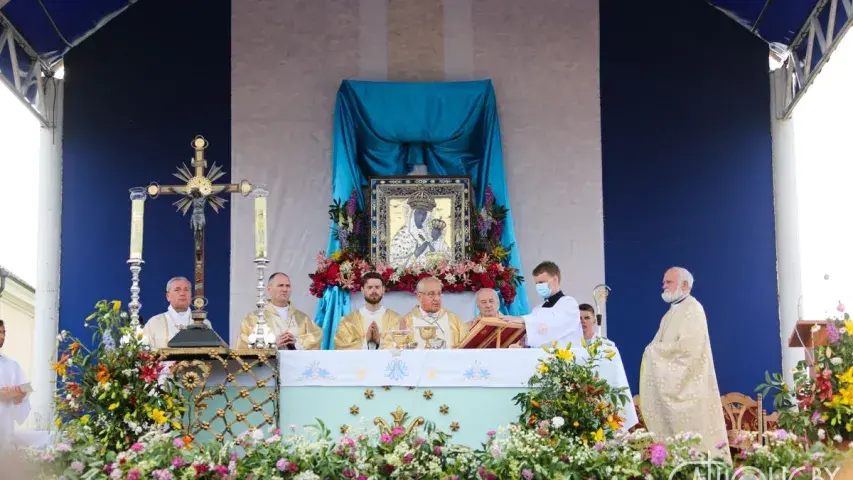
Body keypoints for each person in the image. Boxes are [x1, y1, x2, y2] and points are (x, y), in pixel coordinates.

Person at [639, 267, 730, 462]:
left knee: (695, 449)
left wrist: (653, 352)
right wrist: (652, 351)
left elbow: (689, 350)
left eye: (668, 282)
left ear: (685, 285)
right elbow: (656, 345)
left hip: (691, 391)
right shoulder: (670, 314)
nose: (663, 286)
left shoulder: (693, 309)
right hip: (673, 388)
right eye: (663, 282)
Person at [503, 261, 582, 348]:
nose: (538, 287)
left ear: (555, 280)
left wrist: (523, 319)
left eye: (541, 283)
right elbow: (534, 336)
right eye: (536, 284)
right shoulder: (537, 309)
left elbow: (555, 323)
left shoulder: (569, 303)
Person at [236, 272, 323, 350]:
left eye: (287, 286)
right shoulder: (253, 318)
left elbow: (317, 337)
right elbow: (244, 343)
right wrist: (271, 344)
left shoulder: (303, 318)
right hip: (267, 366)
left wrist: (297, 342)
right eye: (280, 285)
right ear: (269, 290)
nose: (285, 289)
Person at [334, 272, 403, 350]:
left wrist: (379, 341)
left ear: (383, 290)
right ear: (362, 290)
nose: (373, 291)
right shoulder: (348, 321)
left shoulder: (396, 320)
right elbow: (341, 347)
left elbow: (402, 346)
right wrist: (365, 341)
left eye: (377, 287)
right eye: (369, 287)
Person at [394, 276, 467, 349]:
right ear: (419, 297)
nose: (437, 299)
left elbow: (466, 347)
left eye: (439, 293)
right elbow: (397, 351)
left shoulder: (453, 319)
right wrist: (401, 337)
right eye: (431, 294)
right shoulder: (406, 321)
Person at [143, 277, 211, 349]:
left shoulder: (204, 323)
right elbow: (145, 353)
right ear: (168, 296)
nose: (182, 293)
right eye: (177, 290)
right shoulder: (154, 323)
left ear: (191, 295)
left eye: (186, 290)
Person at [389, 190, 440, 269]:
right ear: (412, 213)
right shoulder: (403, 233)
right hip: (408, 276)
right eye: (419, 213)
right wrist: (417, 253)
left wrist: (433, 243)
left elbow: (434, 253)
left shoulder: (426, 232)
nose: (422, 217)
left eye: (424, 214)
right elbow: (395, 261)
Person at [0, 320, 30, 446]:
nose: (2, 337)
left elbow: (26, 388)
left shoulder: (11, 364)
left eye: (3, 332)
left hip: (4, 426)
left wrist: (19, 397)